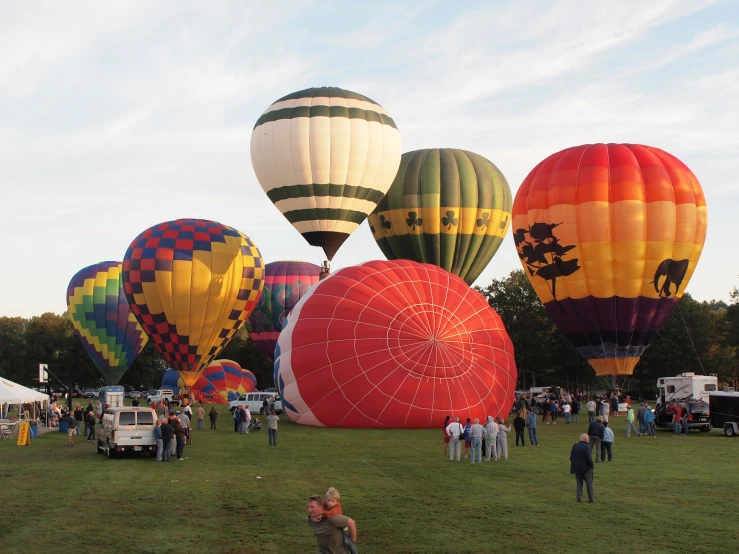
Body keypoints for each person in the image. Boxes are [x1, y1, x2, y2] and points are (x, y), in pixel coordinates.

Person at [570, 434, 595, 502]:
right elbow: (589, 459)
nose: (589, 440)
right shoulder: (587, 447)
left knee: (579, 483)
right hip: (586, 469)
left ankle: (579, 497)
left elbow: (571, 457)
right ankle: (591, 498)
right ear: (585, 439)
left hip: (577, 468)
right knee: (589, 483)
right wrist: (591, 466)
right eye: (588, 439)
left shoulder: (575, 446)